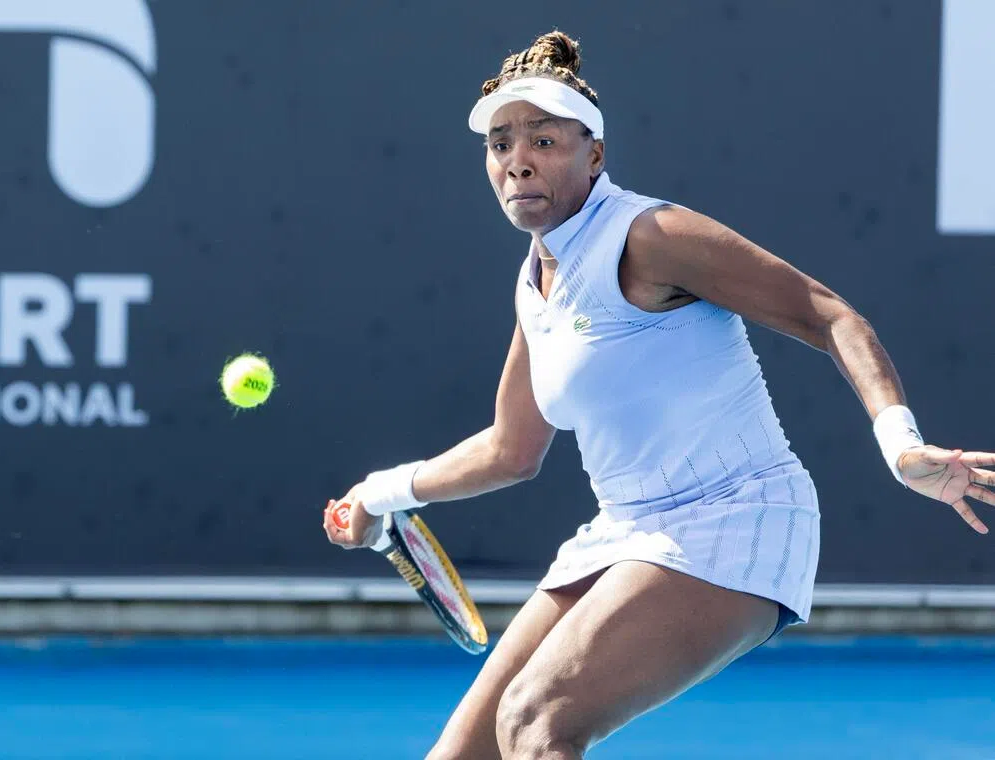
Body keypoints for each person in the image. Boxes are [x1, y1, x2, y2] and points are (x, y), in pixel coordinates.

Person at [322, 30, 995, 759]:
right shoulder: (536, 283)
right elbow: (509, 451)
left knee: (537, 722)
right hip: (624, 532)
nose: (517, 158)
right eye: (501, 143)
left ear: (595, 155)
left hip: (737, 517)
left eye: (545, 140)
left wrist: (898, 443)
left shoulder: (651, 236)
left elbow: (827, 313)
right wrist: (383, 494)